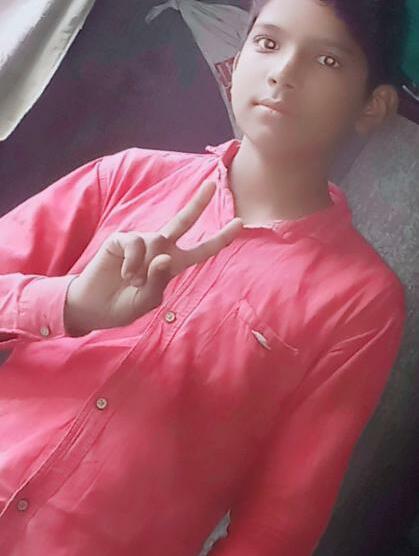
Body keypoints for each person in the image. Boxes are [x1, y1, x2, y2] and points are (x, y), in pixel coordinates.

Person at [0, 0, 408, 554]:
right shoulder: (127, 176)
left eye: (328, 60)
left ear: (373, 105)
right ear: (237, 60)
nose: (284, 72)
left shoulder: (359, 301)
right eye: (268, 43)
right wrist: (68, 304)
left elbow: (279, 525)